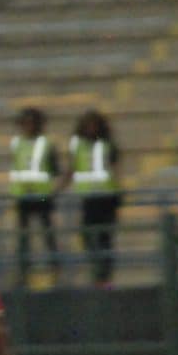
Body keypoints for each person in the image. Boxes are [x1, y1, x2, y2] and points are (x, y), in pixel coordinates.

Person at [68, 109, 121, 286]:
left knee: (105, 238)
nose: (91, 129)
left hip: (107, 197)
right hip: (88, 198)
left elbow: (115, 170)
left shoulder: (108, 145)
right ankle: (97, 271)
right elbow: (72, 169)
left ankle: (105, 277)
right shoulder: (78, 145)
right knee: (87, 236)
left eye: (94, 125)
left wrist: (119, 192)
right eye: (88, 126)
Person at [9, 107, 60, 285]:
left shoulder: (46, 144)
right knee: (23, 235)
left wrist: (53, 190)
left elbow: (54, 170)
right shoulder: (16, 143)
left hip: (42, 195)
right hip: (22, 195)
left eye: (31, 123)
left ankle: (55, 266)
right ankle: (24, 270)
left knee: (47, 231)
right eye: (25, 123)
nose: (28, 126)